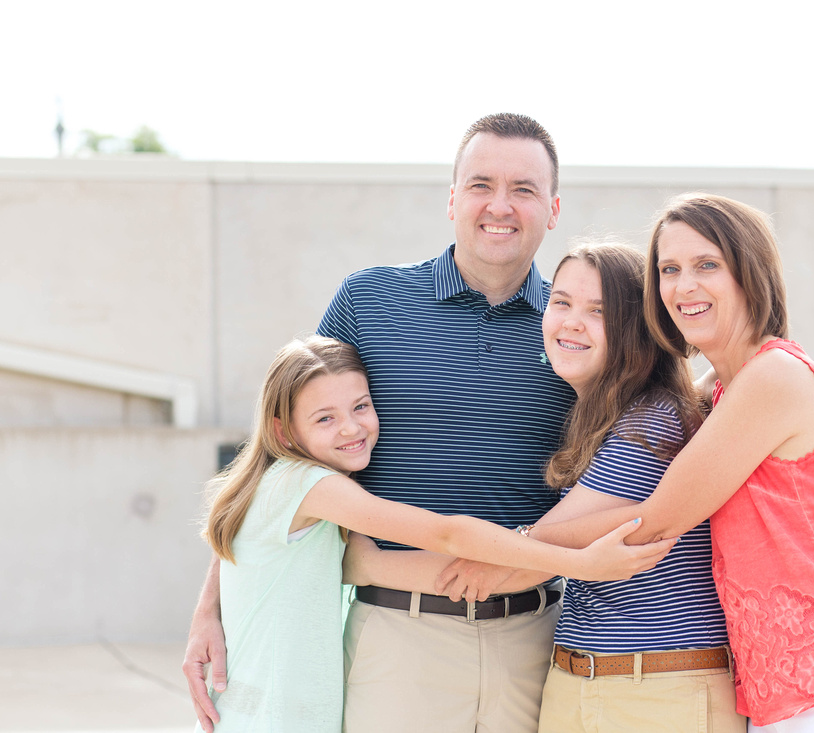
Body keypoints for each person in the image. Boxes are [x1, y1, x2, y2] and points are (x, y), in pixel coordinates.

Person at [183, 113, 578, 733]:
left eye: (524, 189)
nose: (499, 205)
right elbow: (279, 462)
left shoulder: (575, 330)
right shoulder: (369, 302)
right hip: (397, 638)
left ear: (552, 209)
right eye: (481, 184)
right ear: (452, 198)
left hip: (536, 639)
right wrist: (211, 608)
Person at [541, 194, 814, 731]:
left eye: (706, 265)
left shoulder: (774, 376)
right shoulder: (722, 392)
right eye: (669, 269)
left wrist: (516, 545)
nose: (683, 286)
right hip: (784, 694)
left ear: (749, 273)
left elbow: (656, 521)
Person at [199, 335, 671, 732]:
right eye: (325, 418)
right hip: (274, 717)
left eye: (361, 406)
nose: (351, 427)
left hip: (274, 710)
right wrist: (581, 564)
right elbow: (447, 534)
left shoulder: (293, 488)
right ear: (283, 431)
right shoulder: (310, 485)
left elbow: (372, 564)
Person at [532, 242, 745, 731]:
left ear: (637, 328)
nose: (570, 322)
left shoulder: (651, 424)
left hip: (655, 691)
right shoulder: (605, 418)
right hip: (583, 680)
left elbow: (531, 553)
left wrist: (383, 565)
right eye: (560, 302)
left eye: (598, 311)